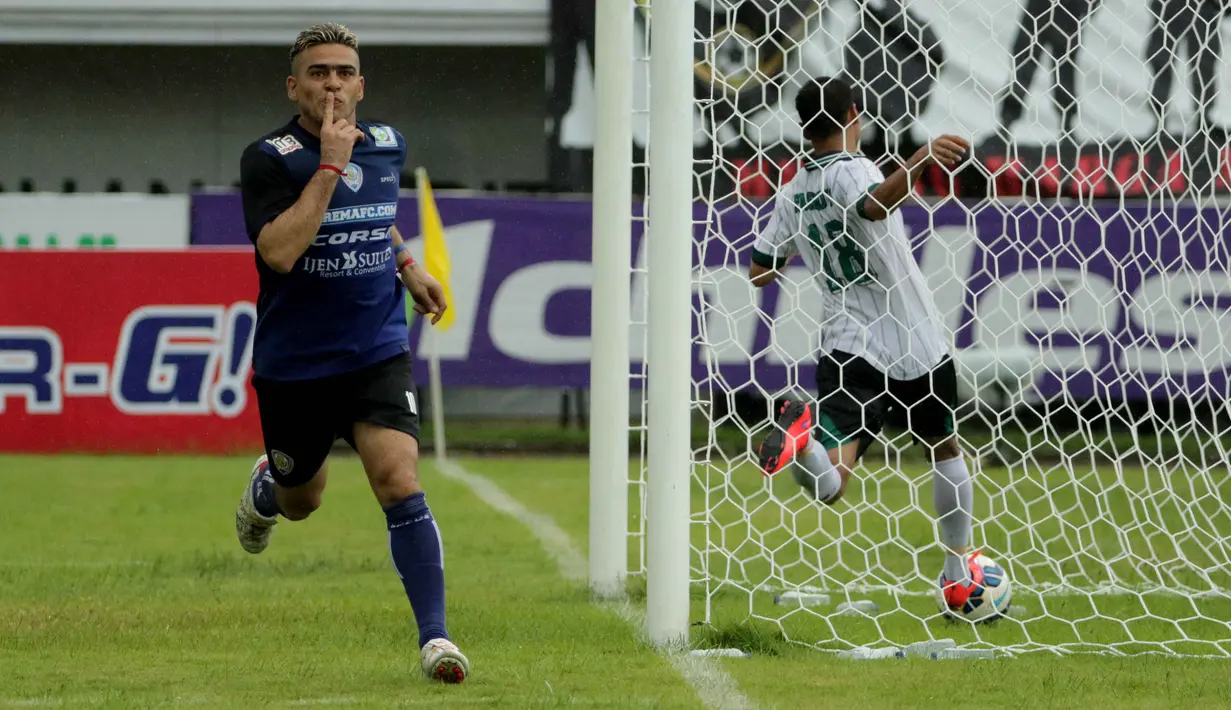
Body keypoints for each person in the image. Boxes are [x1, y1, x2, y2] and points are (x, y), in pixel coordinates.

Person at [232, 23, 469, 683]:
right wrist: (330, 164)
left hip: (375, 348)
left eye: (343, 71)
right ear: (294, 85)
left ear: (360, 83)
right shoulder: (269, 158)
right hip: (295, 364)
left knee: (398, 480)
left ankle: (436, 642)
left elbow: (374, 206)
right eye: (317, 72)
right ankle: (267, 492)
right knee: (302, 498)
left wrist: (405, 263)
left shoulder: (387, 144)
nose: (331, 83)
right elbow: (278, 251)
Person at [749, 75, 983, 613]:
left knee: (831, 487)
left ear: (805, 128)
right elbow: (873, 207)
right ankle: (956, 575)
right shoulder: (856, 168)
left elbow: (760, 272)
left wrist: (809, 247)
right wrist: (920, 157)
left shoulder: (793, 191)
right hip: (913, 336)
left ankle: (801, 439)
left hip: (847, 342)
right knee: (943, 447)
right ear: (854, 114)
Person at [997, 0, 1102, 137]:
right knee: (1024, 68)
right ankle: (1006, 124)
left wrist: (1086, 8)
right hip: (1043, 11)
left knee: (1063, 73)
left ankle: (1067, 128)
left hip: (1067, 14)